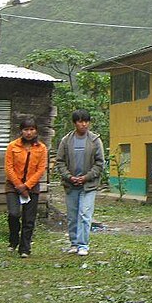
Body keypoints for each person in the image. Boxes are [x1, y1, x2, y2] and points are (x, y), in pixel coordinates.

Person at [55, 109, 105, 256]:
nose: (83, 124)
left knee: (85, 214)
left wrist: (86, 177)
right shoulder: (66, 141)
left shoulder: (95, 140)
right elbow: (60, 162)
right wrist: (69, 177)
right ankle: (74, 243)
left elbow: (99, 163)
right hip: (71, 185)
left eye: (86, 121)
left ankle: (83, 245)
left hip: (89, 185)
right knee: (72, 215)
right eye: (80, 121)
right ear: (74, 123)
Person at [4, 117, 48, 258]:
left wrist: (27, 186)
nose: (29, 133)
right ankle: (13, 239)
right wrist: (18, 185)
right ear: (21, 131)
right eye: (26, 130)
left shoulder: (41, 148)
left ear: (36, 131)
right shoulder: (13, 146)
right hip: (13, 185)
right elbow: (8, 167)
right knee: (14, 214)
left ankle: (25, 248)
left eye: (31, 129)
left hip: (32, 187)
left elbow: (41, 169)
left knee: (29, 219)